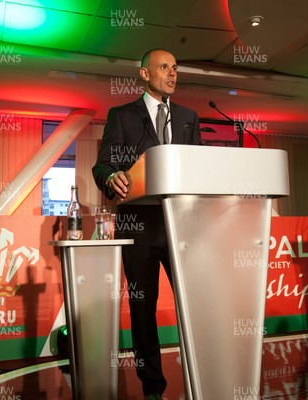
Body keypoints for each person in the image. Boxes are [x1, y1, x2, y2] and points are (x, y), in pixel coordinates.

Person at [92, 49, 201, 399]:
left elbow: (198, 166)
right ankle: (153, 387)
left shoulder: (188, 117)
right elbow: (103, 165)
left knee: (195, 303)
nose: (172, 73)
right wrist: (111, 178)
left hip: (181, 225)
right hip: (138, 226)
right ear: (143, 74)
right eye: (164, 67)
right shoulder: (122, 116)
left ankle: (202, 374)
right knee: (143, 309)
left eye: (175, 67)